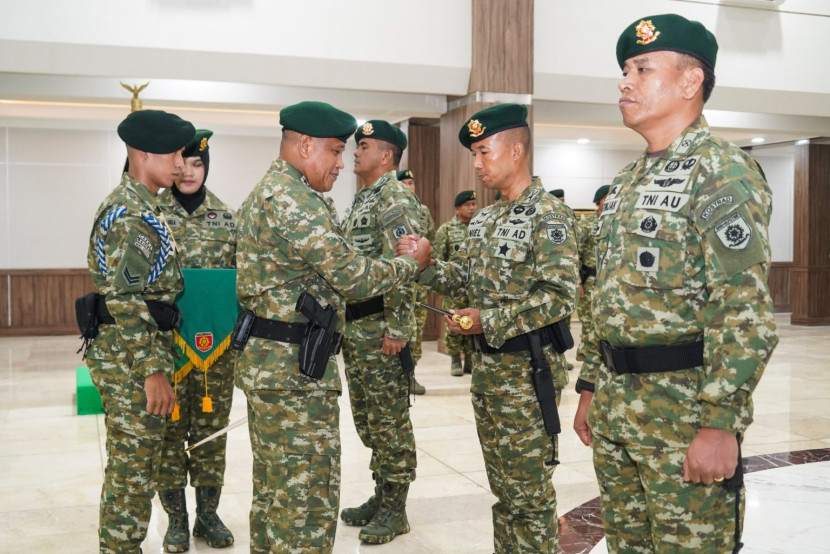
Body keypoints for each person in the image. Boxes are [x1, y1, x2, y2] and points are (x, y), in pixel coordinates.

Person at [572, 14, 779, 553]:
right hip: (619, 410)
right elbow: (605, 298)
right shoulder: (625, 182)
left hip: (684, 417)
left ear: (692, 82)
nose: (625, 81)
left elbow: (743, 310)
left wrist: (720, 424)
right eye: (625, 69)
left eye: (642, 68)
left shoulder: (720, 172)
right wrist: (592, 386)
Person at [234, 102, 433, 554]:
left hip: (277, 368)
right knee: (304, 503)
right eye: (336, 151)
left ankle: (391, 501)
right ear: (305, 145)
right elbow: (353, 276)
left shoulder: (270, 192)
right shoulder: (294, 201)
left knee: (275, 491)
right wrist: (408, 265)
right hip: (293, 376)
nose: (342, 164)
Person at [401, 103, 579, 553]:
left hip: (529, 372)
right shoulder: (484, 219)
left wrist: (490, 319)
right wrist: (426, 266)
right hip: (489, 374)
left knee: (530, 496)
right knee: (505, 492)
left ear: (516, 150)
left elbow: (559, 296)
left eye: (484, 152)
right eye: (474, 155)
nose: (477, 164)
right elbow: (464, 279)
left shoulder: (550, 217)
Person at [84, 109, 194, 553]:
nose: (182, 165)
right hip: (131, 358)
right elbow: (125, 299)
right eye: (173, 153)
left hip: (136, 349)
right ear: (141, 153)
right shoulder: (132, 215)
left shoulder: (146, 205)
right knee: (132, 472)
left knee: (141, 463)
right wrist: (153, 371)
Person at [339, 121, 422, 544]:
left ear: (386, 156)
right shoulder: (364, 199)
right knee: (370, 422)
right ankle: (381, 492)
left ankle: (396, 507)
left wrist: (399, 328)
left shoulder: (394, 201)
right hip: (358, 329)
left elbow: (406, 269)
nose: (356, 152)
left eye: (364, 146)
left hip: (381, 331)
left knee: (389, 422)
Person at [155, 130, 236, 552]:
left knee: (211, 432)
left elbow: (241, 283)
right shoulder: (151, 213)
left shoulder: (228, 217)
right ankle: (176, 519)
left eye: (198, 164)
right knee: (169, 435)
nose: (189, 172)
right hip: (165, 350)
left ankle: (207, 514)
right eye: (182, 163)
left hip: (214, 357)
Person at [397, 168, 434, 395]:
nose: (409, 186)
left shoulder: (423, 211)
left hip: (417, 284)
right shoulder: (390, 208)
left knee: (416, 329)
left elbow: (431, 240)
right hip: (395, 281)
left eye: (412, 182)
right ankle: (396, 376)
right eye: (405, 182)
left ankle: (411, 374)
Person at [432, 190, 477, 376]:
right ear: (457, 208)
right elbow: (439, 260)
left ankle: (470, 360)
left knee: (472, 323)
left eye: (474, 204)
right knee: (454, 322)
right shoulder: (446, 230)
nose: (472, 208)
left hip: (474, 288)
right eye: (468, 205)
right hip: (455, 288)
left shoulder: (479, 227)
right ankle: (455, 360)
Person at [574, 184, 609, 364]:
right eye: (607, 197)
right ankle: (587, 355)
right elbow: (576, 252)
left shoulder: (615, 222)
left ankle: (596, 355)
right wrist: (578, 282)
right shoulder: (586, 224)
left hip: (608, 281)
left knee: (602, 320)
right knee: (587, 320)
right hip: (588, 280)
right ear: (599, 201)